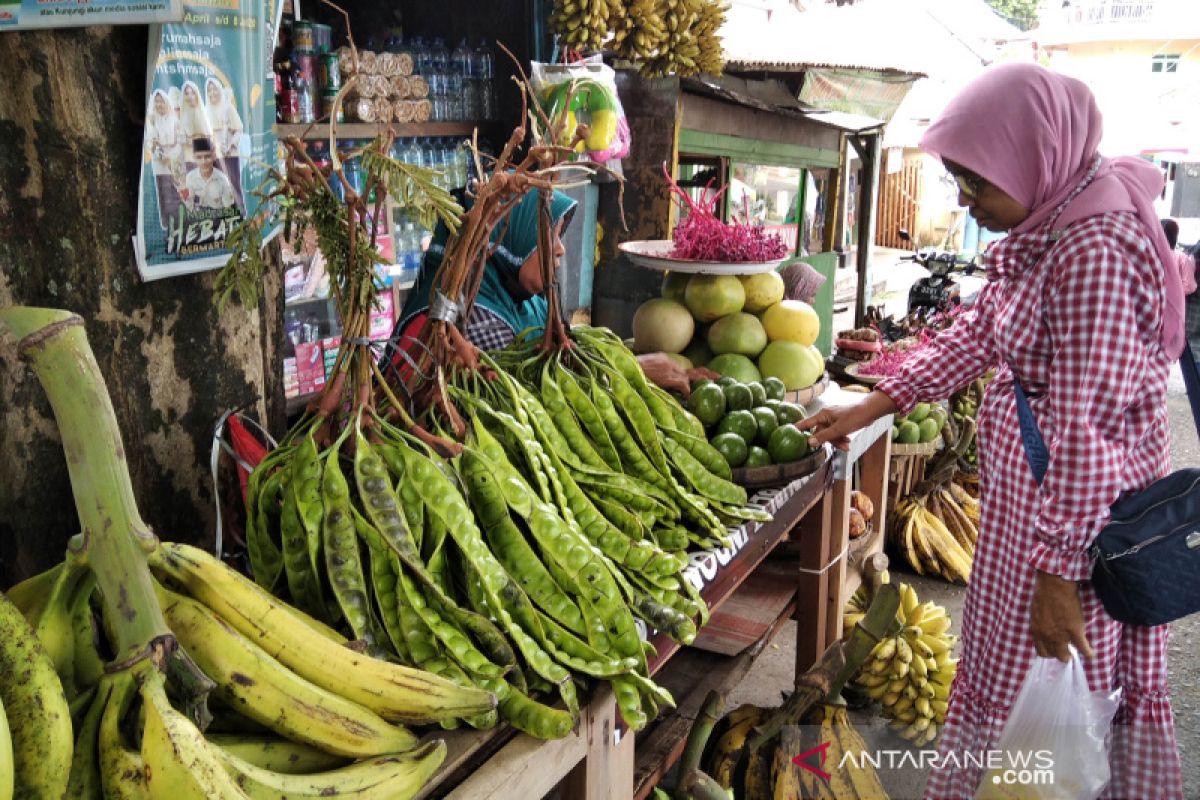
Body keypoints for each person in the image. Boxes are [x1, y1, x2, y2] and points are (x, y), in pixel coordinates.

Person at [799, 63, 1184, 799]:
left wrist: (1059, 576)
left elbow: (1087, 434)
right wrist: (873, 403)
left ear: (1036, 157)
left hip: (1079, 533)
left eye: (978, 183)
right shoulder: (1054, 223)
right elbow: (982, 329)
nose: (968, 202)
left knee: (1056, 698)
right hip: (1031, 518)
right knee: (1006, 679)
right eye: (958, 183)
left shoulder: (1092, 250)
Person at [384, 187, 709, 395]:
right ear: (507, 240)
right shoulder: (472, 317)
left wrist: (633, 365)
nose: (560, 250)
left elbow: (569, 357)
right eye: (546, 237)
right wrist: (634, 373)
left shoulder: (528, 300)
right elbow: (528, 395)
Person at [146, 88, 186, 226]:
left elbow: (181, 141)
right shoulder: (152, 121)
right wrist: (160, 154)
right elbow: (150, 141)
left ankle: (181, 222)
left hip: (175, 160)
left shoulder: (175, 120)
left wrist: (171, 156)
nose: (159, 104)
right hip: (160, 162)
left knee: (177, 191)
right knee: (164, 192)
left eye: (161, 101)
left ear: (166, 102)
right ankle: (167, 224)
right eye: (156, 102)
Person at [184, 137, 239, 211]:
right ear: (194, 158)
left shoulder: (222, 179)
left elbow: (228, 207)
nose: (203, 161)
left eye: (207, 156)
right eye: (199, 157)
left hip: (218, 217)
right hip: (197, 218)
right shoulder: (190, 177)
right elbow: (188, 205)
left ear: (214, 156)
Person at [179, 81, 212, 160]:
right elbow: (182, 138)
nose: (190, 96)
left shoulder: (204, 112)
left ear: (197, 94)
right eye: (187, 93)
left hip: (204, 153)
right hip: (189, 154)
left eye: (192, 93)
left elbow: (209, 133)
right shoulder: (183, 115)